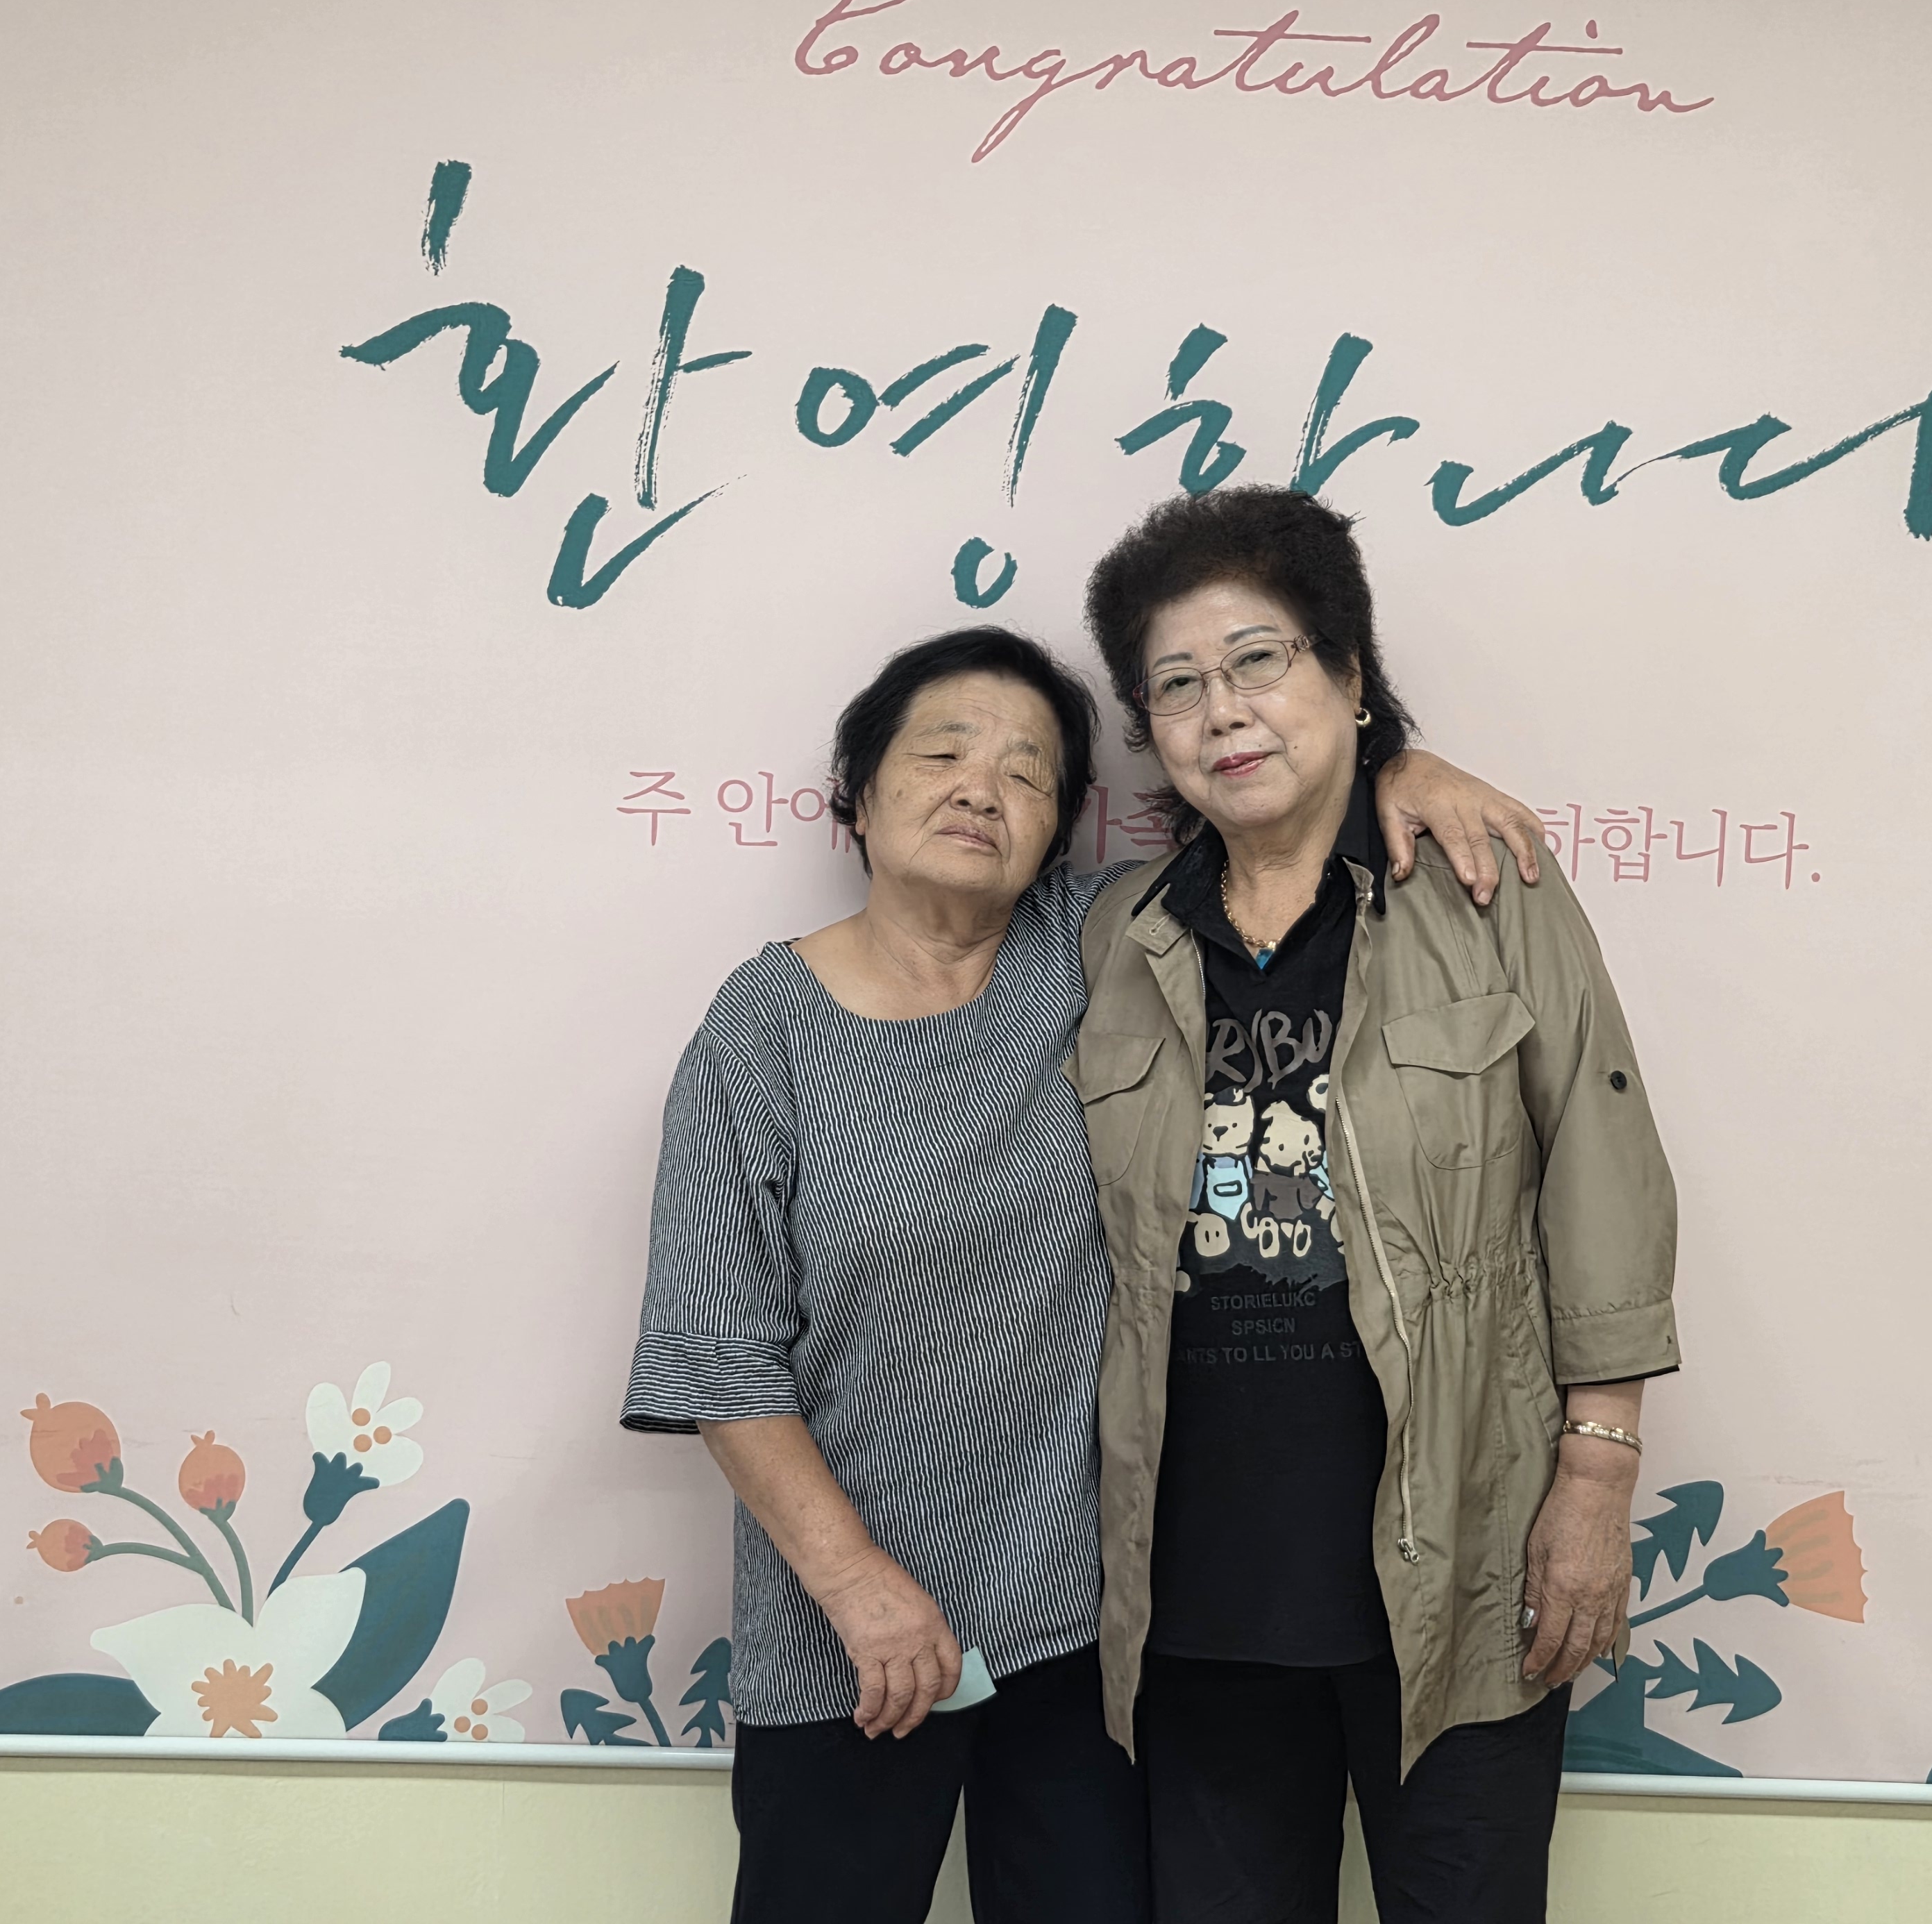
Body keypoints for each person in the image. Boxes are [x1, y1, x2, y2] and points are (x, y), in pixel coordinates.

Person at [619, 624, 1547, 1924]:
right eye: (942, 754)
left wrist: (1399, 766)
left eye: (1028, 773)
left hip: (1083, 1631)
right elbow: (716, 1352)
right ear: (859, 793)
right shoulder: (760, 1027)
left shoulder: (1098, 947)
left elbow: (1276, 817)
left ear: (1060, 831)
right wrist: (857, 1586)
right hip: (847, 1634)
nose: (980, 790)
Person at [1074, 487, 1681, 1923]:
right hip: (1199, 1589)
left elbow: (1601, 1162)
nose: (1222, 710)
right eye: (1176, 685)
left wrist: (1597, 1478)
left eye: (1259, 660)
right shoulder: (1114, 934)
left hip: (1457, 1562)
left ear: (1349, 676)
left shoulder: (1485, 885)